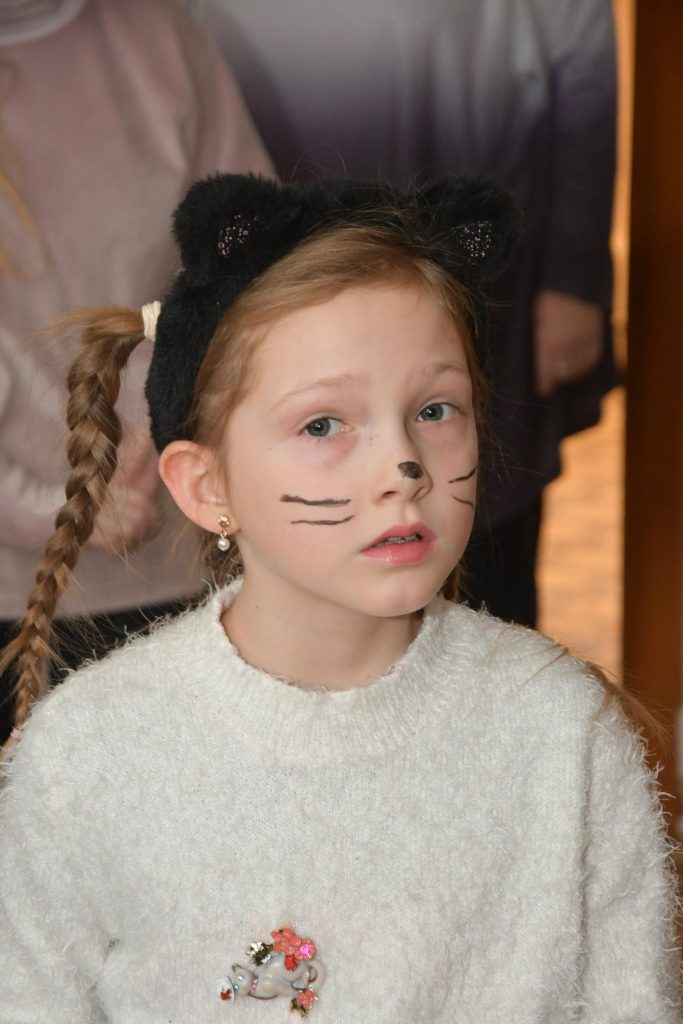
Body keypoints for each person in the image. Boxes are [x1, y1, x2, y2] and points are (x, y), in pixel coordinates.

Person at [0, 173, 679, 1022]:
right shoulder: (89, 756)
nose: (404, 466)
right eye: (323, 424)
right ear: (206, 486)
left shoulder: (563, 733)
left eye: (436, 409)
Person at [189, 0, 618, 628]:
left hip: (470, 251)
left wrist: (571, 274)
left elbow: (584, 62)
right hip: (260, 269)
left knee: (475, 535)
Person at [0, 0, 273, 743]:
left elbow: (249, 255)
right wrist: (50, 507)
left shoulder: (157, 30)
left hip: (178, 555)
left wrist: (168, 408)